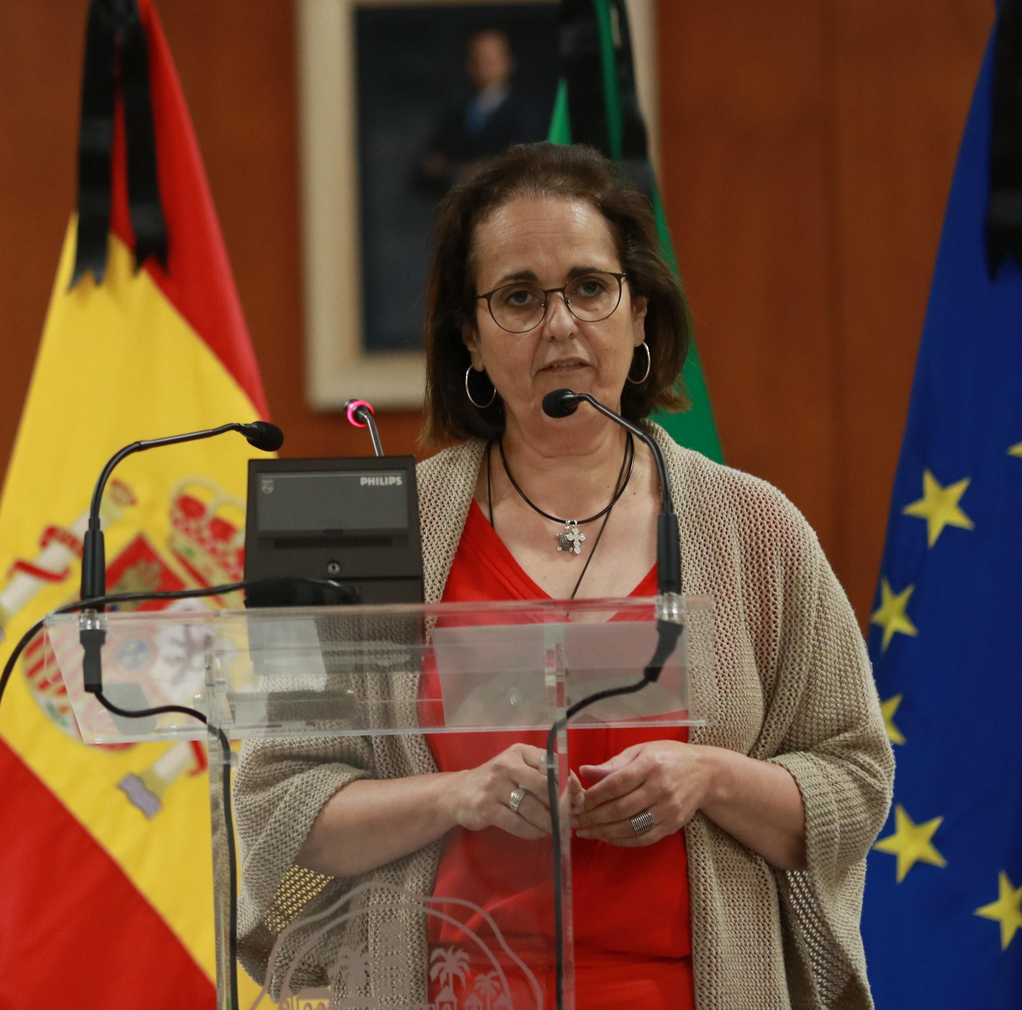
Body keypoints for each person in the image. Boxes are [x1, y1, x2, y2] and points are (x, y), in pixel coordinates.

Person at [236, 142, 893, 1009]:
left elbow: (854, 779)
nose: (560, 326)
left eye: (589, 287)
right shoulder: (377, 528)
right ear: (469, 336)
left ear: (639, 312)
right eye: (518, 297)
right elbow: (279, 801)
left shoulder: (755, 529)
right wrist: (454, 796)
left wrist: (712, 777)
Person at [414, 29, 545, 197]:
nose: (482, 66)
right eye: (477, 59)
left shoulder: (524, 112)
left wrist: (483, 168)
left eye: (490, 60)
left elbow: (528, 163)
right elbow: (430, 166)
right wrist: (459, 170)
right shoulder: (456, 115)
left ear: (508, 62)